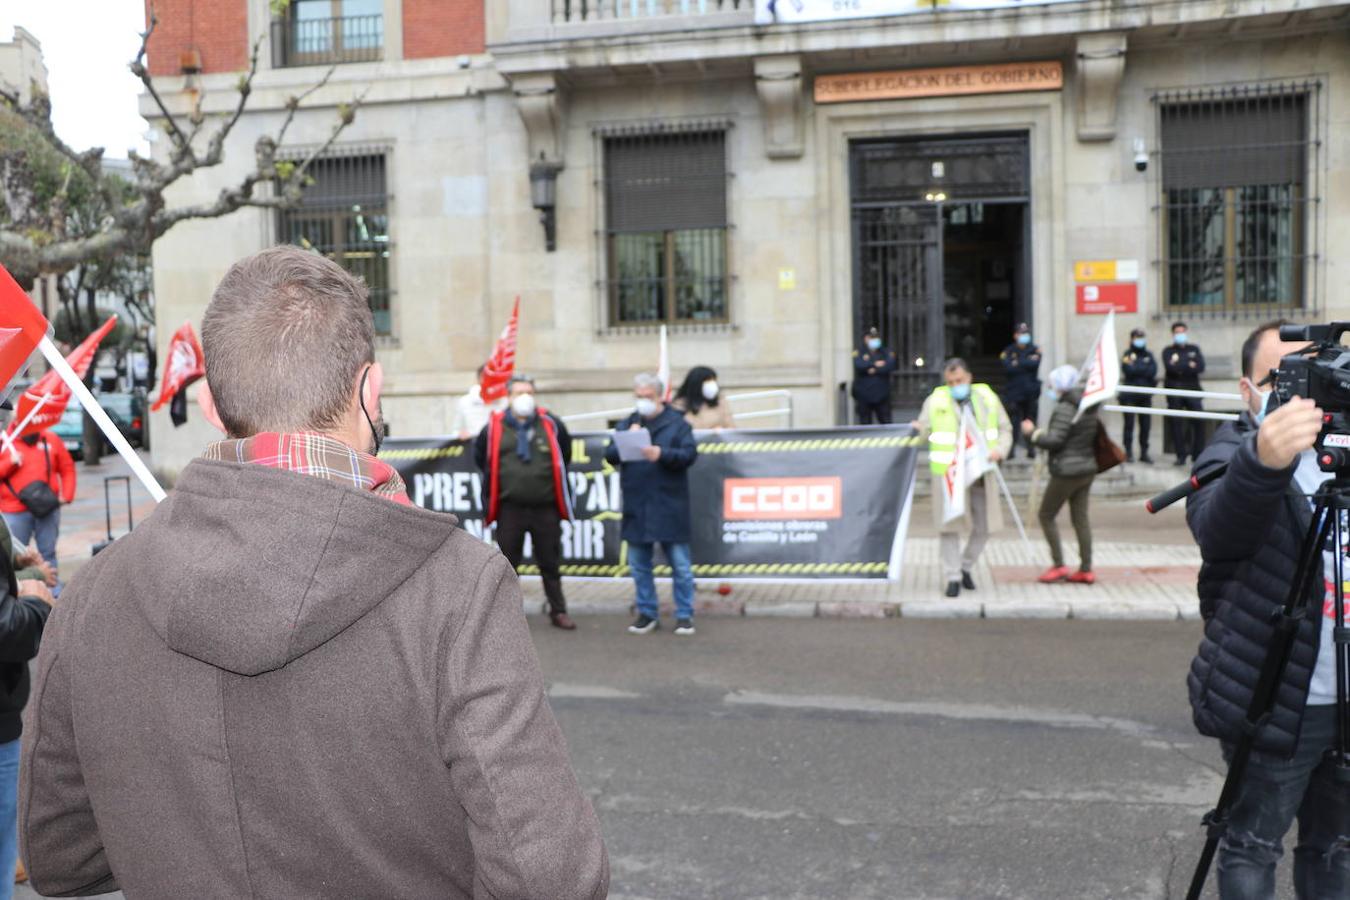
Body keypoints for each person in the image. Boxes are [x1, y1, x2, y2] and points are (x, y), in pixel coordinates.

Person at [20, 248, 608, 899]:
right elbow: (550, 879)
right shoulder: (457, 588)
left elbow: (58, 853)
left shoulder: (94, 594)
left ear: (211, 405)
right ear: (370, 389)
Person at [1184, 319, 1350, 898]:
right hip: (1278, 699)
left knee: (1336, 847)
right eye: (1283, 379)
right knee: (1253, 845)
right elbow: (1219, 532)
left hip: (1346, 698)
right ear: (1247, 389)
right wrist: (1264, 458)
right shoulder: (1233, 452)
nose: (1302, 397)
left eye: (1318, 378)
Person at [474, 375, 577, 631]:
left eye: (529, 392)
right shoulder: (493, 428)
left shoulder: (551, 424)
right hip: (510, 509)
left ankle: (558, 611)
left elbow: (565, 455)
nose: (525, 397)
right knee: (508, 565)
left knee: (550, 563)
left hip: (546, 508)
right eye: (519, 392)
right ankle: (507, 615)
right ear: (508, 397)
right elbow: (481, 458)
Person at [605, 374, 699, 636]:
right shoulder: (628, 423)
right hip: (638, 504)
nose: (643, 401)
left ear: (660, 397)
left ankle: (684, 615)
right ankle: (647, 613)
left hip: (669, 503)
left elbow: (689, 455)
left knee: (680, 565)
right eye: (639, 396)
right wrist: (626, 439)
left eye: (647, 396)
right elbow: (609, 455)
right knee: (639, 564)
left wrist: (662, 454)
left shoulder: (677, 424)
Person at [910, 358, 1013, 597]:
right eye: (951, 382)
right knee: (949, 526)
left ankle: (966, 566)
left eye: (960, 380)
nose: (956, 385)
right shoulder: (935, 400)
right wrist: (916, 430)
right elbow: (923, 431)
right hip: (948, 473)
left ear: (969, 377)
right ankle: (953, 576)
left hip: (980, 471)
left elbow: (1005, 428)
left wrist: (1000, 449)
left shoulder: (987, 398)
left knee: (985, 525)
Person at [1022, 365, 1099, 584]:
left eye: (1052, 384)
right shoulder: (1086, 405)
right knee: (1080, 519)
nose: (1050, 388)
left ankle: (1059, 565)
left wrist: (1032, 434)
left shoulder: (1066, 408)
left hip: (1067, 470)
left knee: (1046, 515)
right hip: (1086, 467)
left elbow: (1055, 440)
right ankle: (1086, 568)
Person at [0, 427, 76, 575]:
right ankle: (21, 592)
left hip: (47, 507)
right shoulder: (4, 441)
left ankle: (53, 592)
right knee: (15, 556)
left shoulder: (51, 438)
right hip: (14, 510)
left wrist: (66, 495)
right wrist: (9, 462)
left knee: (48, 553)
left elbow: (67, 467)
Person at [1162, 320, 1206, 466]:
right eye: (1177, 332)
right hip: (1175, 391)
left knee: (1199, 421)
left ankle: (1197, 454)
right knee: (1176, 424)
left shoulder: (1194, 348)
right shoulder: (1168, 351)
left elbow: (1200, 367)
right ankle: (1181, 455)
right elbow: (1171, 369)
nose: (1180, 335)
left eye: (1182, 332)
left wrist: (1181, 366)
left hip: (1193, 389)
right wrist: (1188, 364)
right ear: (1173, 334)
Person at [999, 323, 1042, 460]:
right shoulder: (1009, 351)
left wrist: (1018, 362)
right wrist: (1026, 362)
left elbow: (1035, 365)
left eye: (1026, 333)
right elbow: (1008, 369)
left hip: (1031, 393)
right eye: (1021, 333)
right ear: (1015, 335)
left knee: (1030, 421)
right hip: (1014, 394)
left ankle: (1031, 449)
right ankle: (1010, 450)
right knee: (1013, 423)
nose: (1024, 336)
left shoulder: (1035, 350)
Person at [1119, 327, 1157, 464]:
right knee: (1129, 424)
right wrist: (1142, 369)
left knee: (1145, 425)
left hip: (1145, 394)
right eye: (1137, 338)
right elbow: (1129, 370)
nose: (1139, 340)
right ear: (1132, 339)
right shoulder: (1127, 355)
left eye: (1141, 337)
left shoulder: (1149, 355)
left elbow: (1152, 371)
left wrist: (1138, 369)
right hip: (1129, 395)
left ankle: (1144, 452)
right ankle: (1128, 452)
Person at [852, 326, 897, 425]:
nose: (874, 340)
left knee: (886, 422)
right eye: (871, 338)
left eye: (876, 338)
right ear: (866, 339)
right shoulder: (859, 352)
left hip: (882, 394)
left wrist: (871, 368)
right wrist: (876, 364)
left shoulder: (886, 352)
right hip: (864, 395)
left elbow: (889, 366)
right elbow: (859, 365)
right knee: (865, 424)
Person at [673, 366, 734, 430]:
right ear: (696, 384)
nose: (712, 384)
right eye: (708, 381)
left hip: (716, 439)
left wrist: (721, 430)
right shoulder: (679, 405)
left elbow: (731, 427)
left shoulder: (720, 401)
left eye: (714, 380)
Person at [451, 365, 496, 440]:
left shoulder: (504, 401)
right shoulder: (465, 401)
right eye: (486, 377)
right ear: (479, 379)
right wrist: (460, 434)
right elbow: (456, 430)